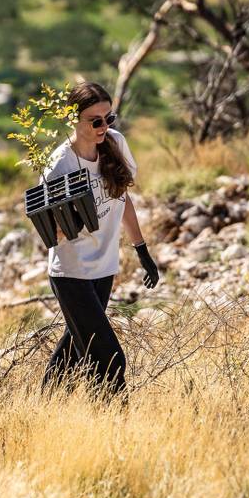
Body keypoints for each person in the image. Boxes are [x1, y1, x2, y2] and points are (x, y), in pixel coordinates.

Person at [41, 82, 159, 397]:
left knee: (72, 354)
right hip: (72, 274)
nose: (104, 127)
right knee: (109, 358)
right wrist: (73, 217)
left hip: (104, 270)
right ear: (73, 120)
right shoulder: (59, 166)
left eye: (109, 118)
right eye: (95, 120)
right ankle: (114, 421)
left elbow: (123, 201)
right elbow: (50, 236)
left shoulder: (115, 144)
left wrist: (141, 250)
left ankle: (43, 409)